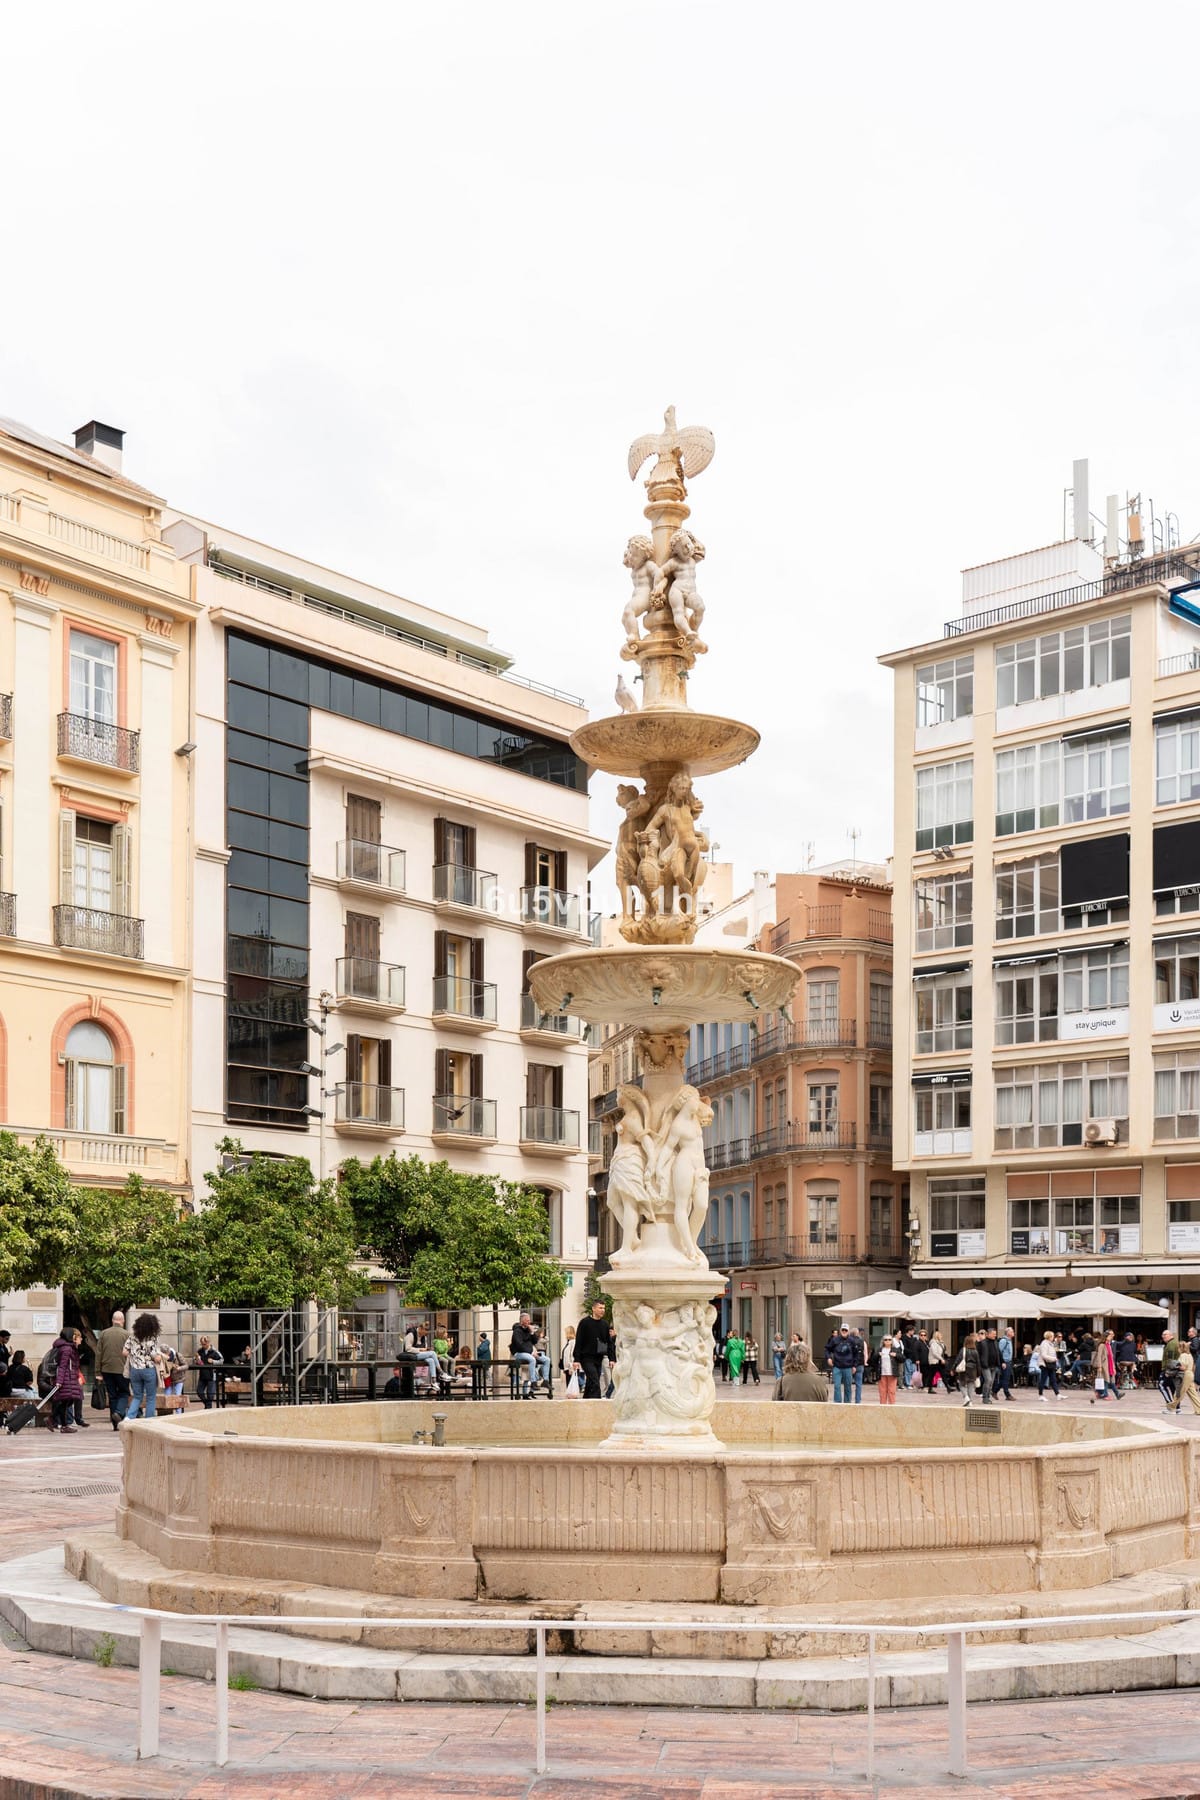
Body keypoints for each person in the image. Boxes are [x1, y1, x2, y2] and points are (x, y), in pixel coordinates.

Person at [123, 1313, 164, 1421]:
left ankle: (129, 1417)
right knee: (150, 1397)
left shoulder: (132, 1336)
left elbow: (124, 1352)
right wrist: (159, 1357)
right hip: (148, 1370)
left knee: (137, 1396)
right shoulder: (152, 1338)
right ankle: (149, 1420)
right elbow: (154, 1356)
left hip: (135, 1370)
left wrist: (135, 1355)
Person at [96, 1310, 131, 1431]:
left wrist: (98, 1372)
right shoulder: (127, 1334)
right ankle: (119, 1412)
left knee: (112, 1396)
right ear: (123, 1321)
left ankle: (115, 1424)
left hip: (107, 1369)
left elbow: (98, 1353)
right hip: (122, 1369)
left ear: (112, 1320)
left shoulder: (104, 1334)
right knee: (124, 1393)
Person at [573, 1302, 612, 1399]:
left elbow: (609, 1343)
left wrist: (612, 1359)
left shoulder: (605, 1324)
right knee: (595, 1381)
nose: (603, 1310)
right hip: (586, 1358)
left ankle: (585, 1401)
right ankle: (597, 1403)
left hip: (598, 1358)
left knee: (591, 1382)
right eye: (600, 1308)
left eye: (603, 1308)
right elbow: (579, 1341)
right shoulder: (584, 1323)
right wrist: (576, 1359)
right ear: (593, 1309)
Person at [49, 1326, 82, 1433]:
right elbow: (62, 1366)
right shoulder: (67, 1349)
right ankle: (60, 1424)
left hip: (69, 1378)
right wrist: (59, 1381)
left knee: (66, 1402)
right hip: (67, 1379)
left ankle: (54, 1420)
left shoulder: (66, 1347)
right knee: (65, 1401)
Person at [509, 1313, 549, 1397]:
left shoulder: (528, 1330)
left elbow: (535, 1341)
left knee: (547, 1360)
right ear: (522, 1321)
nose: (529, 1322)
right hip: (519, 1353)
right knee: (532, 1359)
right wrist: (531, 1353)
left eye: (529, 1320)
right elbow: (519, 1345)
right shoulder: (517, 1331)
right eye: (527, 1320)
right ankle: (533, 1382)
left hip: (530, 1352)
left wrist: (532, 1332)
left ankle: (545, 1380)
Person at [404, 1325, 448, 1396]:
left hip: (420, 1354)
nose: (426, 1333)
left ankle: (433, 1381)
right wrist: (421, 1349)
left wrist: (426, 1350)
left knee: (431, 1360)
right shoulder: (411, 1335)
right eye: (425, 1331)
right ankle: (441, 1372)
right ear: (420, 1329)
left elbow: (425, 1347)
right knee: (433, 1353)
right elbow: (407, 1349)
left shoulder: (424, 1337)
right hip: (411, 1355)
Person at [826, 1324, 863, 1404]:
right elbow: (827, 1349)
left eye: (846, 1330)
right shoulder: (834, 1340)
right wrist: (828, 1358)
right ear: (840, 1330)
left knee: (848, 1387)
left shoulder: (852, 1341)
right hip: (837, 1367)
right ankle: (837, 1403)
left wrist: (854, 1365)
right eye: (843, 1330)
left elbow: (856, 1354)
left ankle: (847, 1403)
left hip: (848, 1367)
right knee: (837, 1386)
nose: (844, 1331)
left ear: (848, 1331)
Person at [1169, 1346, 1200, 1415]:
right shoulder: (1190, 1355)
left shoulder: (1183, 1355)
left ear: (1181, 1348)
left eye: (1178, 1348)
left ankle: (1171, 1407)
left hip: (1185, 1374)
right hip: (1190, 1374)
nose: (1177, 1349)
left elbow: (1183, 1367)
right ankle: (1199, 1409)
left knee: (1180, 1392)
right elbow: (1193, 1366)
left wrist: (1175, 1366)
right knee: (1193, 1394)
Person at [194, 1336, 223, 1410]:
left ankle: (208, 1407)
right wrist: (197, 1360)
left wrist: (213, 1361)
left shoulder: (215, 1351)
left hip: (211, 1376)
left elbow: (221, 1361)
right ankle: (208, 1405)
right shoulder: (200, 1351)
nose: (203, 1346)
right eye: (201, 1344)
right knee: (199, 1391)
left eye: (204, 1344)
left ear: (208, 1343)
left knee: (210, 1394)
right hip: (202, 1375)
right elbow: (195, 1360)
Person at [1159, 1328, 1182, 1408]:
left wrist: (1168, 1371)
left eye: (1165, 1334)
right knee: (1173, 1388)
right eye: (1162, 1335)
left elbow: (1170, 1359)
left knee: (1161, 1385)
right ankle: (1177, 1407)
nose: (1163, 1336)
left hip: (1170, 1369)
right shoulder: (1173, 1343)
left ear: (1171, 1335)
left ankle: (1170, 1405)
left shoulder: (1171, 1344)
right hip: (1174, 1369)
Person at [976, 1327, 1001, 1404]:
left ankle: (988, 1396)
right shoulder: (982, 1343)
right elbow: (977, 1354)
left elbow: (998, 1353)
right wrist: (980, 1363)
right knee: (988, 1380)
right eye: (993, 1334)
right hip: (985, 1366)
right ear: (988, 1334)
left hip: (994, 1365)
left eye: (995, 1334)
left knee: (991, 1382)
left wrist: (1001, 1362)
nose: (995, 1335)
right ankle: (985, 1397)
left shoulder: (995, 1342)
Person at [877, 1331, 900, 1404]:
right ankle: (883, 1407)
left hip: (892, 1373)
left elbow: (903, 1358)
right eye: (886, 1339)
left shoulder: (895, 1349)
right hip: (882, 1373)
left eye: (889, 1339)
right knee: (882, 1392)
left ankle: (891, 1407)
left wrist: (896, 1355)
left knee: (891, 1391)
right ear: (883, 1341)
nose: (887, 1341)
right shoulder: (880, 1349)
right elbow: (872, 1360)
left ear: (892, 1341)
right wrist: (877, 1355)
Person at [959, 1332, 980, 1407]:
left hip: (964, 1369)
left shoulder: (963, 1350)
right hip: (973, 1370)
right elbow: (978, 1363)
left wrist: (953, 1369)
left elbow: (958, 1360)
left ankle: (966, 1397)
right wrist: (978, 1373)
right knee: (971, 1385)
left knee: (961, 1384)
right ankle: (970, 1401)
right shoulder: (975, 1351)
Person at [1037, 1330, 1060, 1400]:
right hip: (1045, 1364)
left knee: (1053, 1379)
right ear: (1049, 1337)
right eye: (1052, 1336)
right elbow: (1044, 1355)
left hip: (1050, 1364)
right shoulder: (1044, 1344)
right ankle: (1040, 1395)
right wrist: (1053, 1358)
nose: (1053, 1337)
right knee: (1043, 1379)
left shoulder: (1050, 1344)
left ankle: (1058, 1394)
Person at [995, 1327, 1015, 1401]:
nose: (1013, 1333)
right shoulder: (1004, 1341)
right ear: (1008, 1333)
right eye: (1012, 1331)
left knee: (1005, 1378)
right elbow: (999, 1352)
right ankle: (1007, 1394)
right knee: (1005, 1378)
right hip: (1005, 1362)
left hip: (1009, 1362)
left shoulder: (1009, 1341)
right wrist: (1002, 1362)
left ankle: (994, 1391)